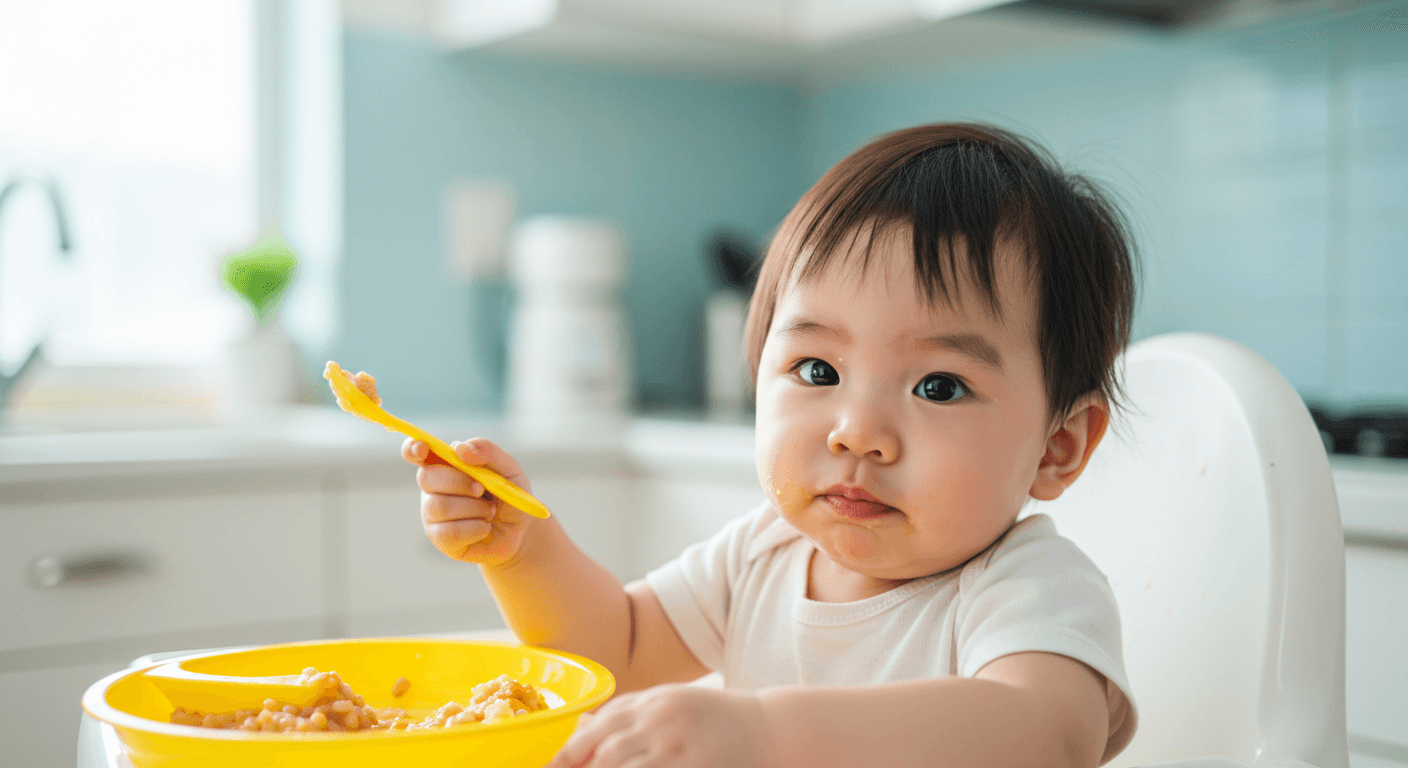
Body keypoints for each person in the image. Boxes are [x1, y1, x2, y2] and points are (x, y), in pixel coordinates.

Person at [403, 122, 1140, 768]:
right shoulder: (762, 554)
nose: (857, 432)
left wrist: (766, 734)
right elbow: (616, 650)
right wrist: (526, 551)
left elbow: (1048, 737)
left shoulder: (1027, 586)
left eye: (938, 386)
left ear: (1058, 449)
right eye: (817, 370)